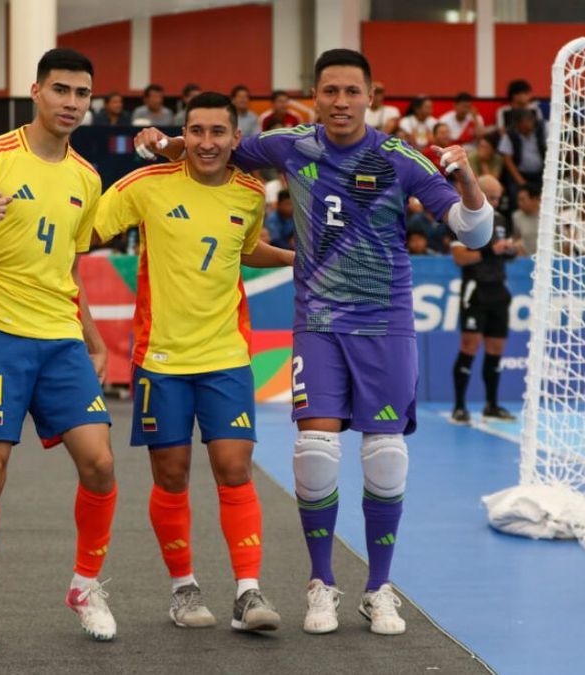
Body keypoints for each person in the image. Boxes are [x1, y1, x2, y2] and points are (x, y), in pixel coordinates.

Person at [135, 48, 493, 637]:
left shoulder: (400, 158)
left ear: (372, 97)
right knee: (316, 456)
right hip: (319, 323)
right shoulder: (289, 144)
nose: (341, 102)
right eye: (330, 91)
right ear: (316, 95)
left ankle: (379, 589)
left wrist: (469, 181)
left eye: (353, 92)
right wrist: (165, 142)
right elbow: (214, 147)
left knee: (384, 459)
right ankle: (320, 584)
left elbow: (474, 232)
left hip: (385, 325)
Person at [0, 48, 119, 651]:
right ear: (34, 91)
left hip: (62, 340)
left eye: (82, 94)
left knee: (101, 464)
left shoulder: (88, 178)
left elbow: (66, 264)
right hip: (1, 336)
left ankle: (86, 587)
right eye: (60, 90)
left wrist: (93, 337)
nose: (71, 102)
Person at [97, 91, 294, 633]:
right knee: (173, 476)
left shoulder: (251, 193)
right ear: (183, 133)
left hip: (226, 355)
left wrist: (294, 258)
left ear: (236, 138)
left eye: (218, 132)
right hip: (160, 360)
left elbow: (242, 247)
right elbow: (87, 231)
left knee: (234, 469)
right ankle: (183, 587)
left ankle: (248, 593)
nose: (207, 142)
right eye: (197, 131)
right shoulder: (147, 184)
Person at [450, 174, 520, 423]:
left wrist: (511, 250)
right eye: (490, 197)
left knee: (496, 349)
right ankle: (459, 406)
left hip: (498, 290)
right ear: (479, 192)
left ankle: (492, 404)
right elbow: (460, 258)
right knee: (469, 346)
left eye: (498, 198)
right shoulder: (463, 217)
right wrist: (492, 250)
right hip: (476, 290)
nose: (495, 202)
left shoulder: (502, 219)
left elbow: (507, 255)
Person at [438, 92, 486, 156]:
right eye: (464, 106)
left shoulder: (475, 118)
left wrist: (476, 120)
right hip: (451, 151)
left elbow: (481, 137)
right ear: (455, 105)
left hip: (472, 153)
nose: (466, 110)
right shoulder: (444, 119)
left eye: (468, 107)